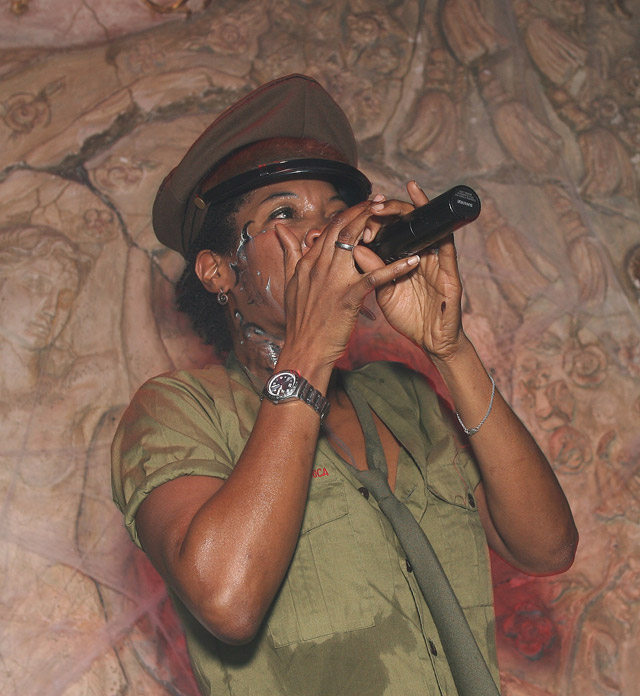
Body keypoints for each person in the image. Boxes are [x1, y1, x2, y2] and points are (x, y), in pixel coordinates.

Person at [111, 74, 578, 696]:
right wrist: (308, 349)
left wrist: (450, 349)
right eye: (284, 214)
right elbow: (227, 599)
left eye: (335, 214)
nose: (325, 234)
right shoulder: (178, 410)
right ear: (217, 271)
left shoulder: (403, 396)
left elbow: (548, 548)